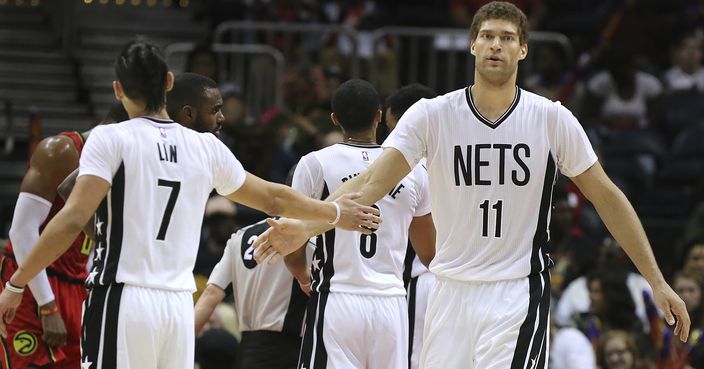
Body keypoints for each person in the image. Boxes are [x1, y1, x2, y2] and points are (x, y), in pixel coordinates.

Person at [252, 3, 689, 368]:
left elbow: (607, 197)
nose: (496, 44)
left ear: (522, 50)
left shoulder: (551, 118)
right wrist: (306, 226)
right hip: (449, 291)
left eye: (506, 37)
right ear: (473, 44)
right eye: (488, 36)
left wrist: (656, 280)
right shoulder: (432, 114)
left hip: (516, 291)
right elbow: (369, 182)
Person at [0, 38, 379, 369]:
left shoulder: (110, 138)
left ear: (118, 89)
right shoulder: (206, 147)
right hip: (179, 306)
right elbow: (273, 196)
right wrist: (334, 213)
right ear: (168, 83)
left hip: (122, 299)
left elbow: (72, 218)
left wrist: (17, 284)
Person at [284, 79, 435, 369]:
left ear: (335, 119)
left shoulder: (315, 163)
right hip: (392, 303)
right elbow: (428, 253)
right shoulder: (413, 170)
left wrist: (302, 275)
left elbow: (293, 241)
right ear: (379, 116)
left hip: (338, 298)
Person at [1, 102, 127, 369]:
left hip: (77, 283)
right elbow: (21, 231)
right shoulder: (60, 150)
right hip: (33, 280)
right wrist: (47, 305)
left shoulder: (119, 165)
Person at [194, 214, 312, 369]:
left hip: (247, 352)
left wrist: (182, 346)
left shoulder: (239, 236)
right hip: (289, 352)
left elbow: (211, 294)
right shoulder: (308, 233)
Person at [385, 83, 437, 369]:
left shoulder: (410, 169)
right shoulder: (458, 155)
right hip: (466, 282)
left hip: (425, 274)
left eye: (394, 129)